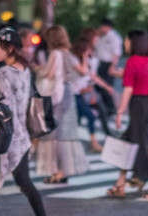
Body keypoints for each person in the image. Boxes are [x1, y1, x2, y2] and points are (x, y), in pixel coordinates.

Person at [0, 28, 54, 216]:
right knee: (23, 182)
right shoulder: (24, 69)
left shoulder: (4, 73)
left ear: (9, 48)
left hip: (6, 135)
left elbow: (2, 106)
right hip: (21, 135)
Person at [107, 30, 148, 199]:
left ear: (133, 43)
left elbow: (129, 88)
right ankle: (120, 184)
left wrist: (119, 112)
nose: (125, 43)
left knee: (143, 145)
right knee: (130, 141)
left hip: (138, 104)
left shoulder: (132, 61)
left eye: (127, 40)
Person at [35, 25, 89, 184]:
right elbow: (83, 72)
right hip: (68, 94)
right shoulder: (67, 53)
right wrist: (85, 57)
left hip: (57, 95)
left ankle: (58, 172)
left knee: (55, 134)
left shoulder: (55, 53)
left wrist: (38, 69)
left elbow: (49, 73)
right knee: (64, 134)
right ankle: (62, 171)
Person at [70, 38, 113, 153]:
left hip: (87, 93)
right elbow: (83, 72)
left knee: (96, 113)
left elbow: (93, 77)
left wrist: (106, 87)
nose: (90, 52)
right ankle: (93, 143)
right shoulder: (74, 60)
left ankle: (102, 138)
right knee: (87, 116)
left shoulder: (86, 61)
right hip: (75, 94)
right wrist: (84, 57)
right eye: (87, 50)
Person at [95, 19, 122, 116]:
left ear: (108, 27)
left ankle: (111, 109)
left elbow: (116, 54)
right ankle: (104, 109)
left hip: (109, 64)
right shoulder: (101, 36)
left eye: (102, 26)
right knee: (98, 86)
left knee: (107, 87)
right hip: (100, 64)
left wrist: (112, 66)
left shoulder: (114, 38)